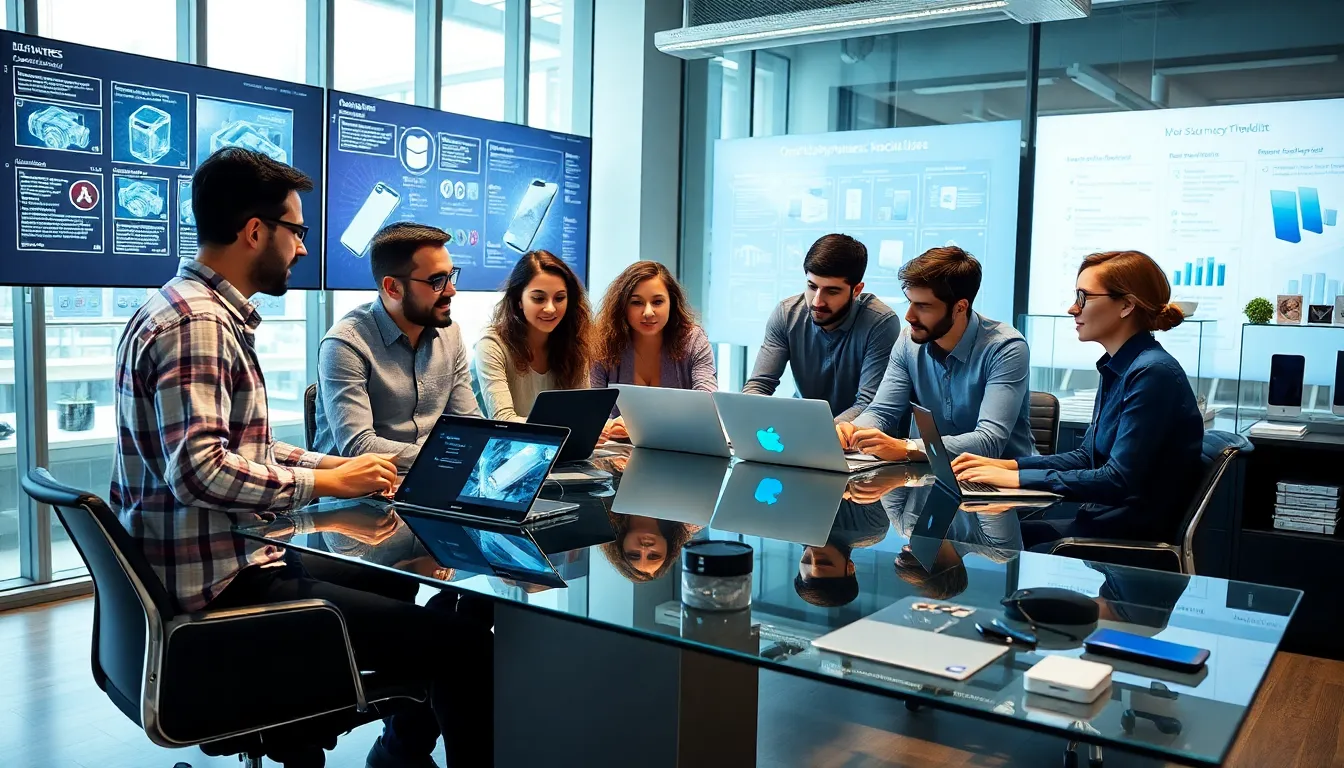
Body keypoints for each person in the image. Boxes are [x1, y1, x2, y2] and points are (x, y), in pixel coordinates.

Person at [110, 148, 491, 768]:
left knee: (394, 584)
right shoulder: (199, 327)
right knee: (462, 642)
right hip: (221, 596)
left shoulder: (181, 309)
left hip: (208, 572)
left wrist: (325, 469)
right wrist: (318, 487)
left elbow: (241, 448)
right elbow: (201, 471)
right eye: (297, 231)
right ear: (255, 230)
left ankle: (398, 752)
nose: (304, 249)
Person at [953, 250, 1204, 547]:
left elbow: (1116, 480)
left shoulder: (1152, 373)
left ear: (1126, 305)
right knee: (977, 539)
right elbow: (1087, 457)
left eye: (1083, 297)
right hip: (1096, 527)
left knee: (991, 548)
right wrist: (1009, 467)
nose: (1073, 308)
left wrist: (1018, 480)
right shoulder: (1123, 366)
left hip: (1119, 542)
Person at [836, 246, 1034, 462]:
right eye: (909, 302)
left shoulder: (1006, 348)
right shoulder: (907, 342)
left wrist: (907, 448)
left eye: (923, 306)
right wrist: (853, 431)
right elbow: (882, 412)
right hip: (927, 476)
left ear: (960, 307)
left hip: (1001, 482)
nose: (909, 316)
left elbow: (989, 441)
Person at [313, 222, 479, 473]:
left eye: (451, 275)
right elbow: (359, 446)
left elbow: (469, 425)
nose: (452, 290)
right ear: (393, 288)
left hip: (433, 479)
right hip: (360, 494)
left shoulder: (450, 333)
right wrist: (446, 457)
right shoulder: (345, 344)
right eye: (437, 281)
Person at [743, 234, 901, 422]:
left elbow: (868, 403)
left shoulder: (880, 322)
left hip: (857, 437)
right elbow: (759, 386)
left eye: (832, 291)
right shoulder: (787, 314)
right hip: (804, 428)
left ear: (856, 290)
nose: (817, 301)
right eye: (812, 286)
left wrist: (821, 433)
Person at [591, 260, 717, 440]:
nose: (648, 312)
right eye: (637, 303)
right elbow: (593, 413)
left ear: (671, 303)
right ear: (623, 306)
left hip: (678, 450)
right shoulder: (604, 344)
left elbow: (707, 404)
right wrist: (606, 427)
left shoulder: (693, 340)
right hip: (613, 455)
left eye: (657, 302)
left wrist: (637, 424)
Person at [473, 250, 593, 421]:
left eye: (559, 298)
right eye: (538, 299)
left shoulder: (574, 344)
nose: (551, 308)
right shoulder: (492, 344)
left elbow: (583, 414)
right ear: (519, 300)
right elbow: (504, 420)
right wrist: (566, 426)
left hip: (558, 444)